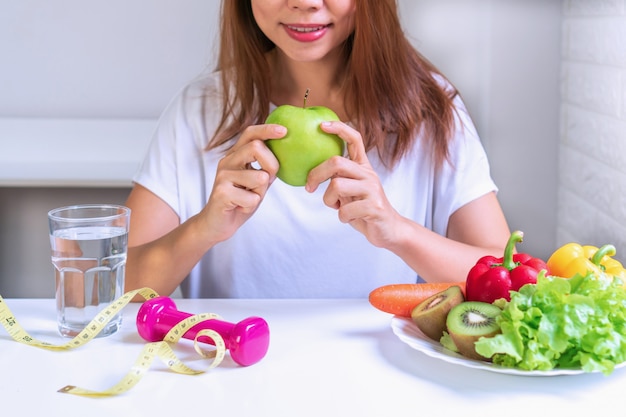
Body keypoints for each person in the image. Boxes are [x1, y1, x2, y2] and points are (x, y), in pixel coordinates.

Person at [124, 0, 511, 299]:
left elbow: (507, 281)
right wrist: (203, 229)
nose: (306, 2)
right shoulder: (200, 110)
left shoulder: (431, 109)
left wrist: (397, 232)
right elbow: (118, 289)